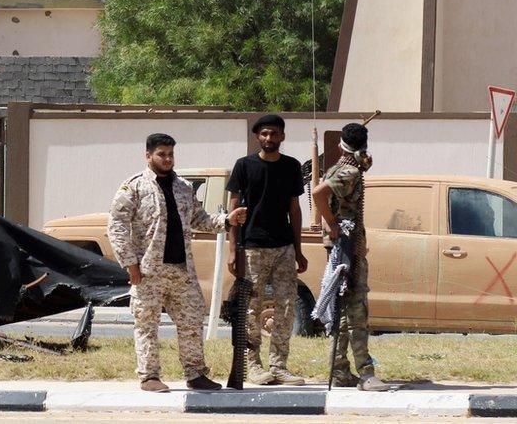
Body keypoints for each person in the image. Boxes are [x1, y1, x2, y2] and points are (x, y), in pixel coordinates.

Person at [108, 133, 247, 393]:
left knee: (192, 321)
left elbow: (200, 219)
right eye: (161, 154)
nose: (167, 159)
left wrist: (228, 220)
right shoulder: (134, 187)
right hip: (148, 271)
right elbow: (116, 225)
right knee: (147, 323)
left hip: (181, 271)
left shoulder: (183, 187)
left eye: (171, 154)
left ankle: (195, 374)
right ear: (148, 155)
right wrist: (130, 264)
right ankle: (149, 376)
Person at [225, 114, 308, 386]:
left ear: (282, 136)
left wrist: (298, 249)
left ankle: (279, 366)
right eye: (264, 134)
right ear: (257, 137)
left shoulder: (292, 166)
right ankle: (253, 365)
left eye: (274, 134)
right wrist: (232, 249)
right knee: (251, 308)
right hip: (252, 247)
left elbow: (295, 210)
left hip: (283, 246)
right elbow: (233, 211)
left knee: (286, 308)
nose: (268, 139)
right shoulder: (244, 166)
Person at [311, 123, 388, 391]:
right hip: (347, 245)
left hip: (346, 244)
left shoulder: (343, 167)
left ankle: (340, 371)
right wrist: (332, 224)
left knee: (343, 309)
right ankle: (366, 373)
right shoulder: (349, 171)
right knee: (356, 308)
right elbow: (318, 193)